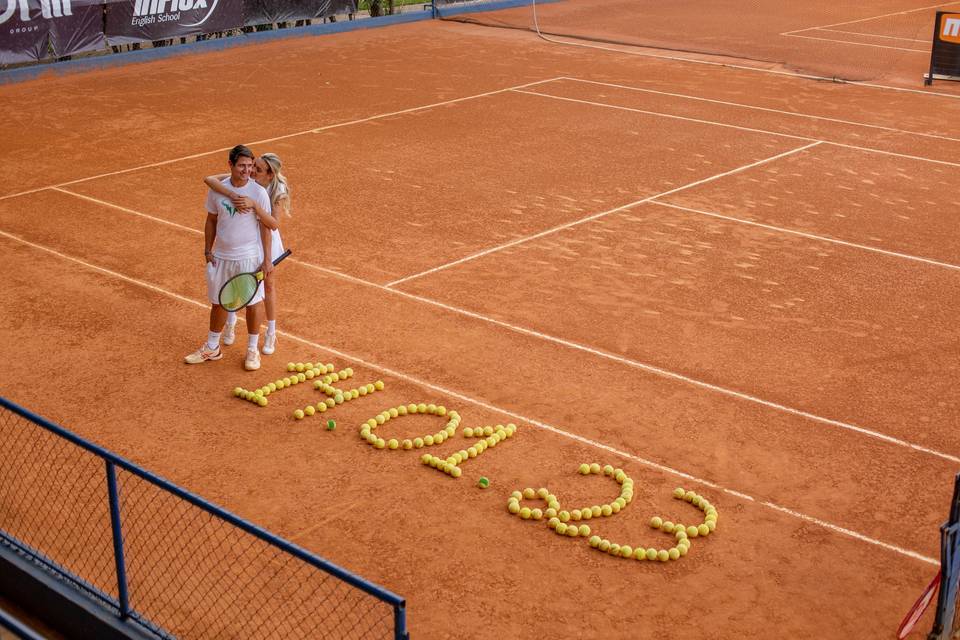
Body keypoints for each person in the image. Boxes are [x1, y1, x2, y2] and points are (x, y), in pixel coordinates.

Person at [184, 145, 273, 370]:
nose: (246, 170)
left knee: (253, 303)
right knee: (218, 302)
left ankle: (252, 350)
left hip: (249, 257)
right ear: (230, 165)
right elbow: (211, 220)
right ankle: (212, 347)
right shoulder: (218, 190)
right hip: (222, 256)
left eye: (250, 166)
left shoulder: (258, 193)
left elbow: (266, 227)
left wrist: (267, 259)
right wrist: (207, 250)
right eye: (242, 165)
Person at [204, 152, 290, 355]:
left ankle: (270, 332)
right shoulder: (246, 177)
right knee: (237, 283)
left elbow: (273, 225)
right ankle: (231, 323)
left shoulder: (276, 190)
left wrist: (255, 206)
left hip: (267, 238)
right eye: (251, 166)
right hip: (249, 237)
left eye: (257, 169)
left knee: (265, 286)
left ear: (269, 175)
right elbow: (209, 180)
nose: (251, 172)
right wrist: (231, 193)